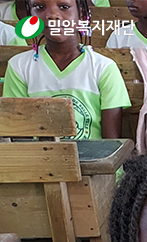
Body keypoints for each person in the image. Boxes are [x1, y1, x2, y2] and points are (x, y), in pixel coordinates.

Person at [2, 0, 130, 139]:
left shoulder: (103, 68)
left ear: (81, 14)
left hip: (93, 159)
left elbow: (110, 144)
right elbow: (19, 135)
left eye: (64, 7)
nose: (52, 15)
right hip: (37, 158)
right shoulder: (19, 66)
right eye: (39, 7)